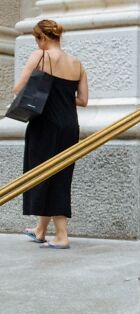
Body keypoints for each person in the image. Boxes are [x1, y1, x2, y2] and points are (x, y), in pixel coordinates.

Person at [14, 19, 88, 249]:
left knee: (43, 174)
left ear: (42, 38)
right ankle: (40, 230)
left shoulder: (40, 56)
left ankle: (62, 236)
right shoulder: (77, 64)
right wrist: (62, 98)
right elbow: (83, 100)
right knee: (60, 175)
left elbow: (18, 89)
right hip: (69, 125)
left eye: (37, 40)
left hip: (44, 124)